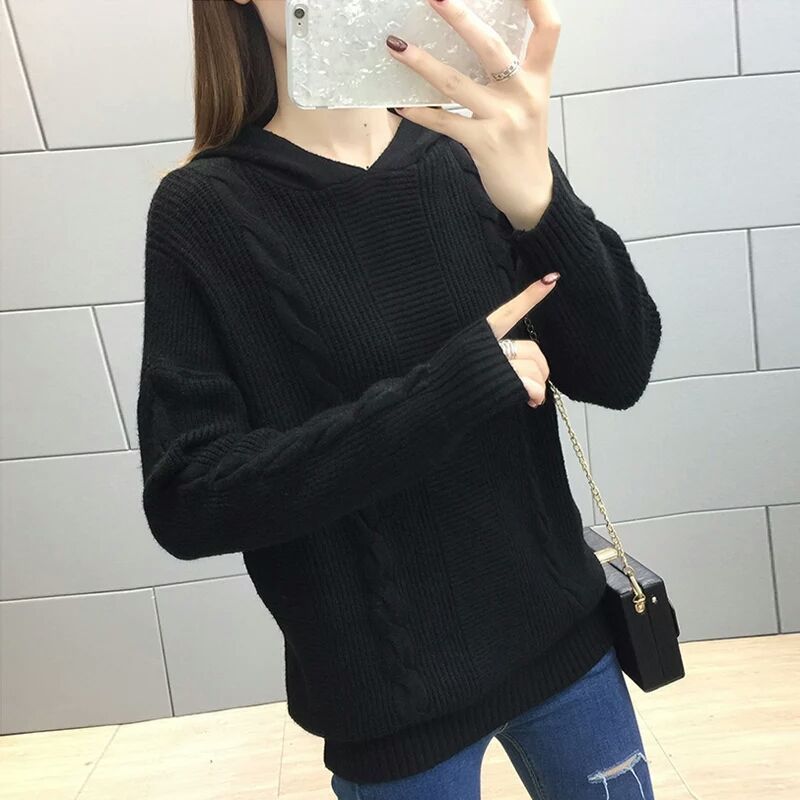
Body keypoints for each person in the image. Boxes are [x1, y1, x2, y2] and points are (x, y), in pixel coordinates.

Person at [136, 1, 662, 797]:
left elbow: (618, 370)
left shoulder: (474, 151)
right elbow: (189, 500)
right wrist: (445, 394)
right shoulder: (202, 211)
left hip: (568, 649)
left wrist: (539, 200)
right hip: (390, 710)